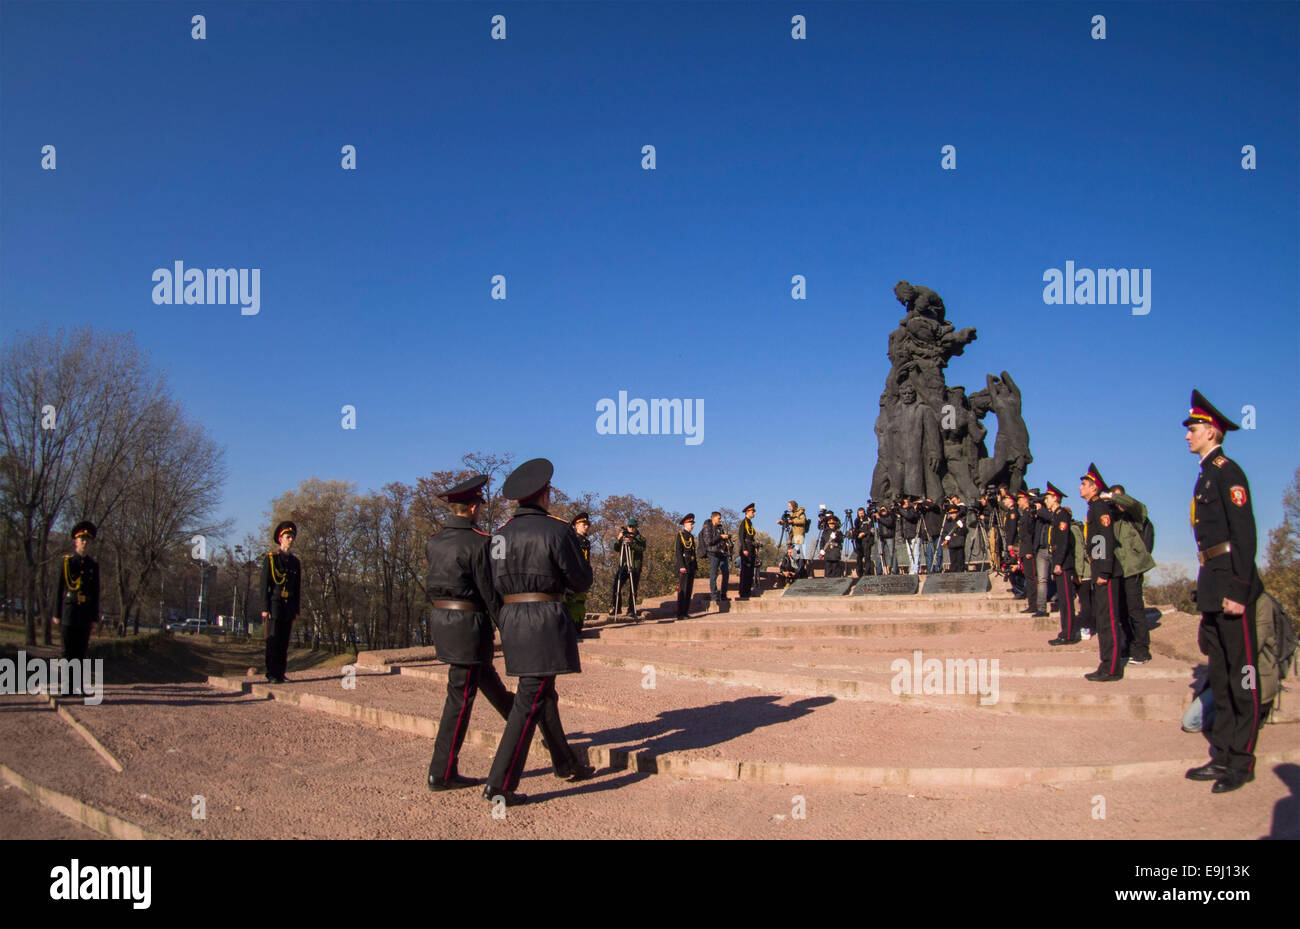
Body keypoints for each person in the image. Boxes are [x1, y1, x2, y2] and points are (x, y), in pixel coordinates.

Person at [482, 459, 595, 806]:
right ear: (545, 494)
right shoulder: (557, 531)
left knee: (543, 693)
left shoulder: (499, 535)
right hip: (544, 619)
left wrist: (503, 617)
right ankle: (499, 785)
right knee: (530, 699)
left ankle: (565, 763)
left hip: (512, 619)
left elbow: (491, 582)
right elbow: (581, 580)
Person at [1182, 391, 1265, 793]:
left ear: (1211, 431)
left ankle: (1241, 760)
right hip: (1212, 582)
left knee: (1242, 674)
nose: (1187, 435)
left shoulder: (1227, 471)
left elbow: (1244, 535)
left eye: (1193, 429)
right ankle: (1223, 754)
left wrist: (1239, 589)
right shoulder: (1205, 474)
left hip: (1231, 583)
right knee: (1221, 674)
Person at [425, 475, 514, 791]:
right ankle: (441, 772)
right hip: (468, 627)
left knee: (491, 684)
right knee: (459, 700)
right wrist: (508, 626)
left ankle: (529, 726)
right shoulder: (480, 542)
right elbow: (489, 592)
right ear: (473, 507)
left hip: (443, 622)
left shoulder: (434, 541)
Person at [1080, 463, 1123, 682]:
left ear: (1094, 488)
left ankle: (1112, 667)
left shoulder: (1100, 508)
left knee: (1108, 620)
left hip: (1105, 572)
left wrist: (1104, 571)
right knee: (1103, 618)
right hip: (1099, 568)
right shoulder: (1093, 508)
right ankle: (1106, 663)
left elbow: (1105, 538)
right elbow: (1096, 541)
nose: (1080, 488)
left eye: (1084, 484)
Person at [1109, 488, 1155, 663]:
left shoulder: (1134, 516)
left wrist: (1114, 496)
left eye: (1119, 497)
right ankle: (1128, 644)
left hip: (1132, 569)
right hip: (1117, 570)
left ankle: (1142, 649)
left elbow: (1136, 506)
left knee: (1135, 610)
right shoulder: (1112, 519)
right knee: (1122, 611)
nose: (1117, 502)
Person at [52, 522, 99, 681]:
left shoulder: (93, 565)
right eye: (82, 540)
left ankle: (78, 685)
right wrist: (56, 613)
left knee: (81, 651)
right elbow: (59, 589)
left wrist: (94, 617)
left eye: (87, 540)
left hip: (85, 613)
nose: (85, 543)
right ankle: (67, 685)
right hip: (69, 611)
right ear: (76, 542)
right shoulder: (67, 562)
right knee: (67, 651)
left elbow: (95, 592)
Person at [260, 521, 301, 684]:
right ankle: (271, 673)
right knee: (273, 640)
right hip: (275, 604)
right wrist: (265, 608)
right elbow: (264, 585)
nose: (290, 540)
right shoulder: (271, 559)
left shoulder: (295, 562)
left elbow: (297, 587)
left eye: (292, 537)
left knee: (284, 641)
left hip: (288, 605)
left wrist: (296, 608)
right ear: (280, 538)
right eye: (287, 537)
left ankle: (281, 673)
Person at [1043, 483, 1080, 646]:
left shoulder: (1062, 515)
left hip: (1064, 564)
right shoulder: (1056, 516)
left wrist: (1058, 563)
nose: (1045, 501)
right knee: (1063, 601)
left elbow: (1063, 541)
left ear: (1055, 498)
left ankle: (1069, 634)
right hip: (1059, 563)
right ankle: (1066, 631)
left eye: (1047, 498)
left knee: (1066, 601)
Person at [610, 517, 646, 617]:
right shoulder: (624, 537)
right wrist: (618, 539)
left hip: (635, 566)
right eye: (629, 526)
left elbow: (641, 549)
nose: (631, 528)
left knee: (633, 589)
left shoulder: (641, 539)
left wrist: (632, 543)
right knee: (616, 586)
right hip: (623, 565)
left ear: (636, 527)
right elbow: (616, 548)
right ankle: (616, 608)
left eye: (633, 527)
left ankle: (631, 609)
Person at [566, 512, 592, 633]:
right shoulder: (571, 540)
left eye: (587, 524)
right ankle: (572, 630)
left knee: (580, 603)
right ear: (576, 525)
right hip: (573, 577)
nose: (586, 526)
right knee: (571, 604)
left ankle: (577, 628)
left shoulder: (586, 541)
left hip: (583, 577)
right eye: (583, 524)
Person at [700, 511, 731, 607]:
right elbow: (709, 541)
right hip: (712, 553)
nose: (720, 520)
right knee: (714, 574)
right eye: (719, 518)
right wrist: (720, 536)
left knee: (726, 573)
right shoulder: (707, 528)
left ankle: (723, 594)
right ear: (713, 518)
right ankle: (714, 596)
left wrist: (726, 542)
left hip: (722, 553)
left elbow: (721, 539)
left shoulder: (720, 528)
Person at [1015, 490, 1039, 613]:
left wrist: (1029, 550)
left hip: (1028, 550)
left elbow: (1030, 533)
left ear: (1025, 500)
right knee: (1028, 578)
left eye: (1020, 499)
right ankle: (1032, 603)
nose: (1018, 502)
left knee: (1031, 578)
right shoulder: (1024, 514)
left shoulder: (1028, 514)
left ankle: (1034, 604)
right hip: (1025, 549)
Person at [675, 513, 698, 620]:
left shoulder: (691, 537)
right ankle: (680, 613)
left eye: (693, 523)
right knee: (683, 590)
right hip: (684, 565)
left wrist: (696, 567)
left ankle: (685, 612)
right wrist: (681, 565)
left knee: (689, 590)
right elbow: (678, 552)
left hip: (691, 565)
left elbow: (693, 553)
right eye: (690, 523)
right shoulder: (680, 535)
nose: (692, 525)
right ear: (685, 524)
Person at [737, 504, 759, 599]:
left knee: (750, 571)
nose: (754, 513)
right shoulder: (743, 522)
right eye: (752, 511)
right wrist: (744, 549)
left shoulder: (750, 523)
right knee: (745, 571)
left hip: (751, 547)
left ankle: (748, 590)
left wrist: (754, 546)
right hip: (746, 547)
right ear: (747, 512)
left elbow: (751, 536)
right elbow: (741, 537)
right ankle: (743, 592)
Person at [941, 497, 967, 572]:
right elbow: (944, 532)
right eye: (951, 513)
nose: (953, 515)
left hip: (959, 543)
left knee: (960, 561)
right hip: (951, 544)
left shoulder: (960, 521)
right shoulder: (948, 522)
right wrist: (945, 538)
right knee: (953, 561)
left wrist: (961, 527)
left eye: (955, 513)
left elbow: (965, 532)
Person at [898, 497, 921, 574]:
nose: (905, 504)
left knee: (915, 553)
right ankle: (912, 568)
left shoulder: (912, 510)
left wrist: (900, 509)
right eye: (904, 502)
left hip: (914, 534)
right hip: (906, 535)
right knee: (910, 554)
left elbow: (909, 516)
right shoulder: (902, 512)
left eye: (906, 502)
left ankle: (916, 569)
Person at [851, 506, 874, 577]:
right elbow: (856, 529)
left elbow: (871, 529)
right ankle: (859, 572)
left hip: (867, 540)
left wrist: (864, 533)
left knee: (867, 556)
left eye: (862, 513)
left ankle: (867, 572)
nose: (861, 514)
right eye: (859, 513)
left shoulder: (868, 519)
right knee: (859, 557)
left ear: (864, 513)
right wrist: (854, 533)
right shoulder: (856, 520)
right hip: (859, 541)